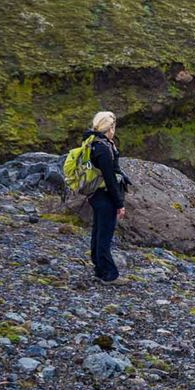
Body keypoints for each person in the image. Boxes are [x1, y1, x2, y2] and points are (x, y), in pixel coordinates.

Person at [85, 111, 128, 285]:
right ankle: (109, 274)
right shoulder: (103, 148)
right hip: (104, 196)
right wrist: (119, 203)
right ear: (109, 128)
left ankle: (99, 268)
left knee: (98, 231)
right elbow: (110, 179)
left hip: (96, 195)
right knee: (104, 235)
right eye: (113, 127)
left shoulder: (93, 142)